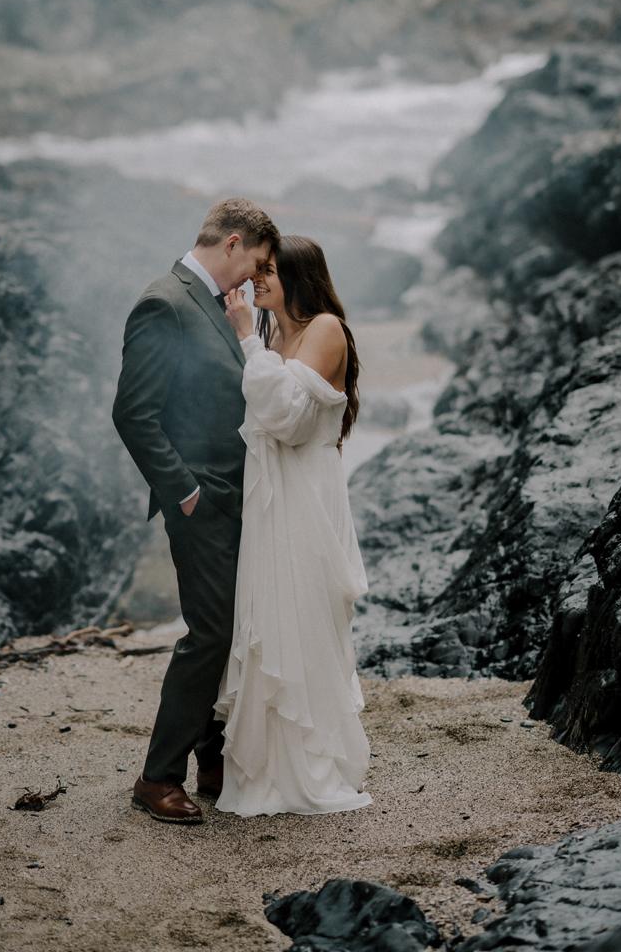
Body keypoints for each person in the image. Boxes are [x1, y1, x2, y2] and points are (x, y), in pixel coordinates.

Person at [112, 198, 280, 824]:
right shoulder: (165, 302)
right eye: (255, 263)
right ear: (232, 243)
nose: (255, 279)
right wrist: (183, 490)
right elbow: (133, 412)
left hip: (239, 498)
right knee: (210, 632)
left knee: (235, 629)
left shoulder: (220, 306)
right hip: (200, 500)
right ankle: (157, 778)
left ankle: (212, 759)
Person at [215, 235, 372, 815]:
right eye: (259, 270)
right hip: (273, 499)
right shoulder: (279, 333)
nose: (258, 280)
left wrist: (246, 337)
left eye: (271, 272)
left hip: (306, 498)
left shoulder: (326, 328)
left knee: (303, 618)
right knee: (268, 619)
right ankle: (267, 770)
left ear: (301, 277)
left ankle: (307, 767)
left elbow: (283, 417)